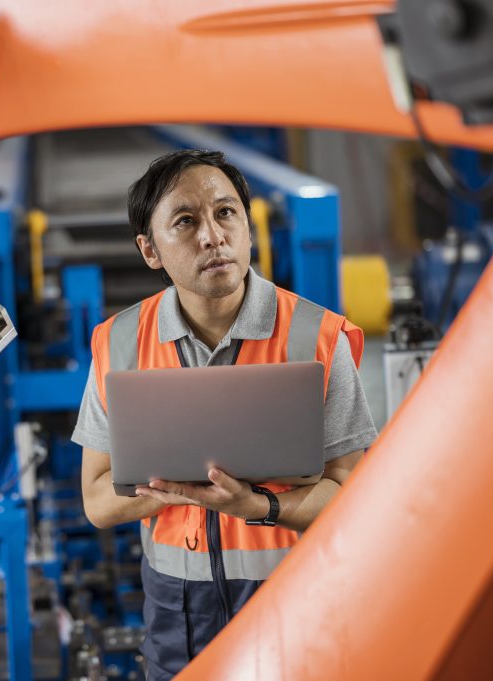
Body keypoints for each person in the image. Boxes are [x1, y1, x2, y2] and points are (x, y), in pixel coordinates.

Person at [71, 149, 378, 680]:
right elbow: (97, 502)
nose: (212, 236)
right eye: (185, 222)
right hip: (176, 616)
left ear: (249, 226)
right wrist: (168, 493)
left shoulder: (317, 336)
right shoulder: (119, 342)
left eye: (226, 213)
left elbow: (349, 496)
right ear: (150, 250)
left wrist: (257, 505)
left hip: (296, 601)